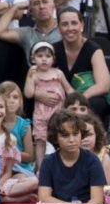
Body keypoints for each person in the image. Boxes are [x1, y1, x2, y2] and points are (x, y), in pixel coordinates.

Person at [31, 110, 110, 204]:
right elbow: (44, 197)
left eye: (75, 134)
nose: (72, 140)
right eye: (65, 135)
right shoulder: (48, 162)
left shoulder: (92, 160)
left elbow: (97, 199)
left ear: (81, 134)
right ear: (55, 138)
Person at [52, 7, 110, 120]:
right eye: (65, 24)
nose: (70, 28)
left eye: (74, 23)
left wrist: (79, 99)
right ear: (59, 28)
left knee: (96, 103)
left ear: (82, 26)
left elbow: (104, 84)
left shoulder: (93, 49)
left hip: (87, 96)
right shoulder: (53, 49)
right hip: (60, 96)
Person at [25, 41, 74, 170]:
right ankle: (41, 168)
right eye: (40, 56)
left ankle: (61, 165)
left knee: (59, 138)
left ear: (53, 59)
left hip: (58, 113)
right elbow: (28, 93)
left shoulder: (58, 74)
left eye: (48, 56)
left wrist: (75, 101)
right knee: (40, 141)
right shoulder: (34, 76)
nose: (44, 59)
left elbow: (69, 89)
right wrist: (29, 76)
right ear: (33, 59)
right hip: (41, 115)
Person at [0, 0, 61, 64]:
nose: (41, 6)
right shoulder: (27, 33)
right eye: (36, 3)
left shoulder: (64, 29)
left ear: (53, 6)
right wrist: (16, 7)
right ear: (30, 11)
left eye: (45, 2)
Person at [79, 113, 110, 187]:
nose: (85, 139)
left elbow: (106, 184)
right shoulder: (70, 156)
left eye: (90, 134)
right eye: (82, 135)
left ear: (96, 135)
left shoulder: (103, 157)